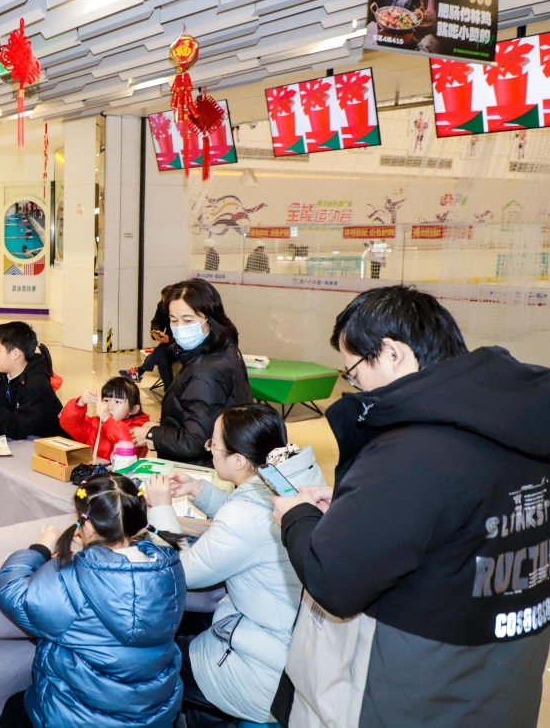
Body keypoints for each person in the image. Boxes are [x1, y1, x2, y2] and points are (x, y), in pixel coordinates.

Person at [271, 286, 550, 728]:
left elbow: (334, 581)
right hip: (503, 681)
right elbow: (457, 523)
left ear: (392, 353)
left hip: (418, 688)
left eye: (354, 371)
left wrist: (296, 517)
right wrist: (355, 507)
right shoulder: (524, 423)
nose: (356, 386)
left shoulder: (411, 450)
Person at [144, 404, 326, 727]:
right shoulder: (295, 478)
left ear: (239, 460)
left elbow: (179, 571)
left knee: (150, 660)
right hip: (293, 651)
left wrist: (160, 510)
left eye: (214, 443)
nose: (208, 449)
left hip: (260, 669)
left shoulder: (242, 518)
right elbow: (249, 514)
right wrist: (198, 489)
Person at [0, 472, 186, 728]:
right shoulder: (169, 569)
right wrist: (91, 549)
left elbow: (13, 594)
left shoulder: (73, 580)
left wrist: (40, 548)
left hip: (81, 718)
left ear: (90, 527)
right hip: (152, 715)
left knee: (15, 709)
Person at [132, 279, 251, 466]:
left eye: (188, 320)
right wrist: (163, 427)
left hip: (199, 470)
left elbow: (195, 441)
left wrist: (152, 435)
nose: (179, 327)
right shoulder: (223, 348)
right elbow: (200, 416)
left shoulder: (207, 371)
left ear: (210, 319)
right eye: (173, 320)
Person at [0, 321, 63, 440]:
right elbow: (6, 418)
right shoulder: (2, 376)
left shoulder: (37, 384)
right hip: (27, 441)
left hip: (50, 443)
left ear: (15, 354)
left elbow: (19, 428)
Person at [60, 376, 150, 462]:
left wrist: (108, 420)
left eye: (118, 402)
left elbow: (129, 445)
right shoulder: (95, 423)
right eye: (106, 400)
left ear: (133, 410)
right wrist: (80, 403)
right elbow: (68, 424)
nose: (109, 407)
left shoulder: (140, 430)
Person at [122, 285, 175, 388]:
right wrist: (156, 331)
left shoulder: (185, 310)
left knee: (161, 351)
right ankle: (169, 391)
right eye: (163, 300)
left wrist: (170, 339)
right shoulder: (161, 305)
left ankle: (140, 371)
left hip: (182, 344)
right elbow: (156, 321)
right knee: (163, 361)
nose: (164, 303)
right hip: (168, 344)